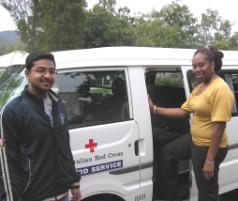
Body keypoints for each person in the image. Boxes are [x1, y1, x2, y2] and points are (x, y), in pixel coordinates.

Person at [149, 45, 234, 201]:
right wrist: (154, 109)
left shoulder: (220, 89)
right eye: (194, 66)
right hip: (194, 140)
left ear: (212, 65)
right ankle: (174, 195)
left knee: (207, 191)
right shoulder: (199, 86)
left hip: (209, 146)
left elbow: (219, 126)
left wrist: (210, 160)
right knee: (168, 153)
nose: (196, 69)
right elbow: (183, 111)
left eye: (201, 65)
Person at [0, 52, 81, 201]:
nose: (48, 75)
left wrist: (74, 182)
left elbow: (64, 148)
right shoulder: (13, 111)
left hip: (63, 194)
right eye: (41, 70)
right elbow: (7, 164)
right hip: (34, 196)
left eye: (51, 71)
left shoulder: (59, 104)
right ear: (28, 73)